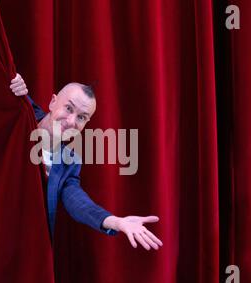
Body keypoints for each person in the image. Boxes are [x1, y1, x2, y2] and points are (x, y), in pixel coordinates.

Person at [10, 74, 163, 250]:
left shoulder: (70, 163)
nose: (71, 122)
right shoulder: (20, 111)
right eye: (68, 108)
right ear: (53, 102)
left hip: (25, 247)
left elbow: (78, 202)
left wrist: (116, 222)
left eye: (81, 117)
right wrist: (12, 80)